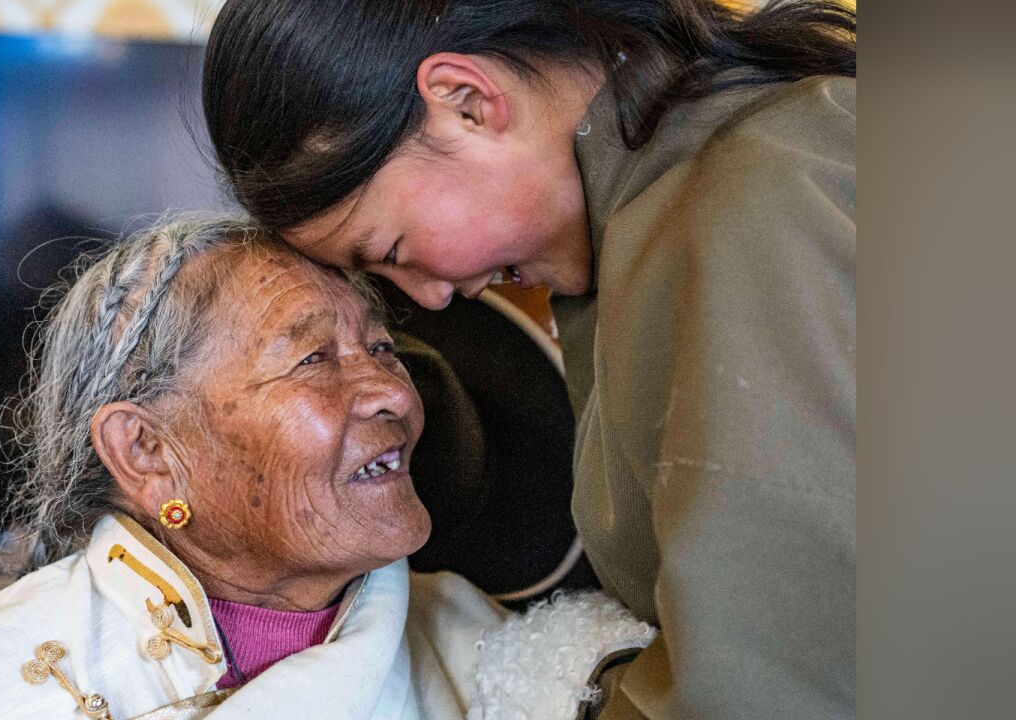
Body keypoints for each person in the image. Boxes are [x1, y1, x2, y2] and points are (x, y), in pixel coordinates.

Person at [201, 2, 856, 718]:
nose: (433, 297)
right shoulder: (697, 207)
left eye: (392, 252)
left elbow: (789, 676)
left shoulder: (749, 216)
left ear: (467, 103)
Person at [0, 216, 652, 720]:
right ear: (147, 452)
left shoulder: (507, 665)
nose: (393, 390)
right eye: (313, 358)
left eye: (382, 347)